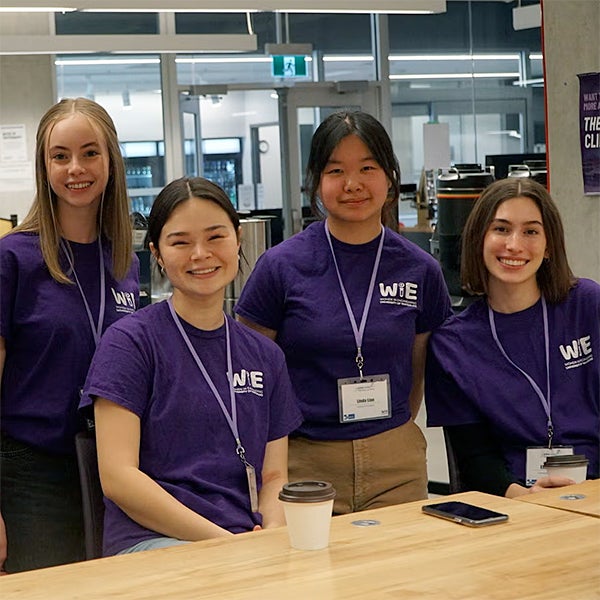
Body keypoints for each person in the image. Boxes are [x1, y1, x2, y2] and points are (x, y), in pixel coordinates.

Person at [235, 110, 452, 514]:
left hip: (395, 462)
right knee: (313, 575)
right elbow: (252, 370)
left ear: (389, 176)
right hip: (304, 463)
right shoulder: (281, 267)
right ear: (317, 181)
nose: (352, 184)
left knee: (397, 575)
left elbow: (417, 369)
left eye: (367, 168)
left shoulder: (420, 269)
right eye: (336, 171)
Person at [80, 176, 303, 556]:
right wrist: (224, 544)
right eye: (180, 242)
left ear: (238, 240)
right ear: (158, 254)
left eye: (216, 237)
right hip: (153, 542)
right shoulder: (131, 343)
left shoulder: (265, 356)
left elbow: (273, 476)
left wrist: (270, 533)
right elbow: (118, 478)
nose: (200, 253)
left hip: (245, 542)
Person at [0, 97, 139, 573]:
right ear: (45, 166)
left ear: (111, 159)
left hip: (111, 470)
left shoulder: (124, 262)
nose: (75, 168)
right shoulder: (12, 259)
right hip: (31, 474)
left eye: (89, 152)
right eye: (60, 156)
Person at [425, 178, 600, 498]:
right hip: (514, 501)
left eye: (531, 231)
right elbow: (474, 459)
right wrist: (525, 497)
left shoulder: (587, 305)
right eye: (501, 229)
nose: (514, 245)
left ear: (549, 246)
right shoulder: (452, 345)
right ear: (479, 238)